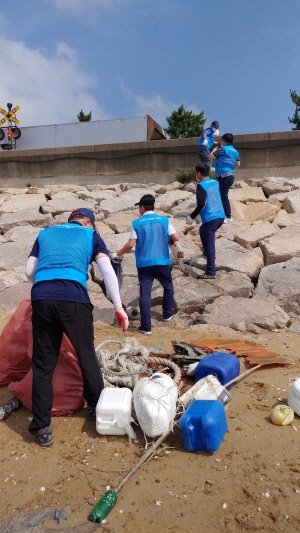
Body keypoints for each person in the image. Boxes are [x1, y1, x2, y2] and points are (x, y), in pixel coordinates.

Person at [25, 207, 128, 447]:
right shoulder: (90, 236)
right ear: (89, 223)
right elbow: (108, 271)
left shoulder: (44, 234)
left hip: (41, 298)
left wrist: (46, 282)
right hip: (73, 299)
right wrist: (119, 307)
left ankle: (41, 427)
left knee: (42, 364)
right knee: (85, 354)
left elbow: (30, 271)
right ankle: (95, 406)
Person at [115, 194, 179, 335]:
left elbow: (131, 244)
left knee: (145, 294)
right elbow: (176, 238)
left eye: (139, 206)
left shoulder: (137, 223)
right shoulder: (164, 220)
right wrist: (168, 240)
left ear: (142, 207)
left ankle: (146, 327)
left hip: (144, 264)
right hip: (161, 261)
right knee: (168, 286)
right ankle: (167, 313)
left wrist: (118, 254)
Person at [186, 163, 225, 279]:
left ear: (198, 173)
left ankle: (211, 272)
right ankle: (207, 252)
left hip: (211, 218)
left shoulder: (201, 185)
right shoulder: (215, 182)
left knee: (209, 243)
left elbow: (202, 203)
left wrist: (191, 217)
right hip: (220, 217)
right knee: (202, 230)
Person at [209, 132, 240, 223]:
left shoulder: (222, 149)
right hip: (230, 176)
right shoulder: (235, 151)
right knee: (221, 194)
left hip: (223, 176)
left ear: (224, 141)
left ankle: (228, 216)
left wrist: (214, 151)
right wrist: (230, 170)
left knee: (223, 196)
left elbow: (211, 157)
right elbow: (238, 164)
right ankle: (222, 213)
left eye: (221, 140)